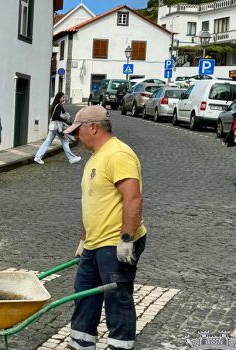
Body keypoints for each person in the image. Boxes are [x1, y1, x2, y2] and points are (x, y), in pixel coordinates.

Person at [63, 106, 147, 350]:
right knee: (85, 293)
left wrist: (126, 239)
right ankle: (81, 343)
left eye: (78, 130)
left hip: (114, 241)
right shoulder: (97, 156)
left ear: (93, 127)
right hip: (95, 242)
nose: (76, 136)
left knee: (116, 296)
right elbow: (93, 202)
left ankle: (119, 345)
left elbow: (133, 198)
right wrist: (84, 238)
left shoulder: (119, 154)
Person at [34, 92, 81, 165]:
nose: (64, 98)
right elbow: (56, 116)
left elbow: (55, 117)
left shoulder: (55, 105)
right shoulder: (59, 105)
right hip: (57, 127)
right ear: (59, 98)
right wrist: (65, 119)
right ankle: (72, 158)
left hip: (53, 127)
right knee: (65, 141)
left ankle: (38, 157)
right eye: (63, 97)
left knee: (47, 142)